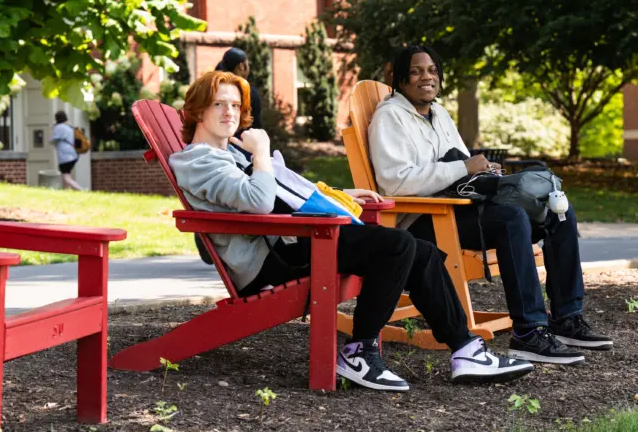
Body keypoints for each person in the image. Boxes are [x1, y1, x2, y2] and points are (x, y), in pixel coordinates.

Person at [169, 70, 535, 391]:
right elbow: (261, 202)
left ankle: (465, 350)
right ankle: (359, 352)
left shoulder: (231, 152)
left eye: (234, 105)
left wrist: (338, 196)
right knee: (397, 246)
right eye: (219, 104)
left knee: (416, 249)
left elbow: (283, 195)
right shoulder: (198, 160)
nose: (230, 112)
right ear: (198, 110)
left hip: (290, 240)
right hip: (271, 261)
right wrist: (262, 151)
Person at [367, 45, 614, 366]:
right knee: (510, 218)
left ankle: (567, 317)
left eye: (431, 70)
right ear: (400, 80)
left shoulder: (438, 113)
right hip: (423, 220)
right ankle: (528, 332)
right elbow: (394, 182)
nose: (426, 77)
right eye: (415, 71)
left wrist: (483, 171)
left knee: (557, 210)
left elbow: (462, 162)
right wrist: (464, 168)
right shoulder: (389, 118)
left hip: (459, 207)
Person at [215, 47, 264, 131]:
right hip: (242, 142)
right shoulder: (249, 92)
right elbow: (257, 127)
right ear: (241, 66)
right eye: (247, 64)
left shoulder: (215, 88)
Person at [50, 111, 84, 191]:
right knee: (67, 175)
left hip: (65, 156)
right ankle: (66, 192)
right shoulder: (70, 127)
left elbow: (53, 139)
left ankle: (81, 189)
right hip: (74, 155)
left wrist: (53, 129)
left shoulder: (58, 127)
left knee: (66, 177)